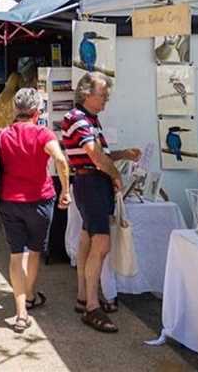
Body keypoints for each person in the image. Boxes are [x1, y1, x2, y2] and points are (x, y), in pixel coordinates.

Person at [62, 73, 140, 334]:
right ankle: (92, 306)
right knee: (101, 244)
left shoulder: (88, 119)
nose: (106, 97)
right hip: (92, 185)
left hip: (92, 184)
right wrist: (116, 174)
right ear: (87, 93)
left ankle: (85, 296)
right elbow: (95, 156)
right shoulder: (78, 119)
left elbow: (99, 155)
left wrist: (122, 154)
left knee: (87, 240)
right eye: (103, 93)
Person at [0, 88, 70, 333]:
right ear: (37, 111)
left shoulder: (3, 134)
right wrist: (66, 190)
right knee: (35, 251)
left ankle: (21, 313)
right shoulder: (43, 133)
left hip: (9, 200)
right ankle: (29, 295)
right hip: (40, 200)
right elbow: (60, 159)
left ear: (16, 109)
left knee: (16, 255)